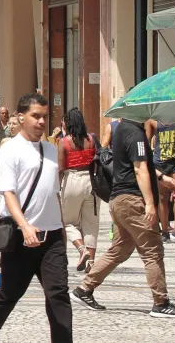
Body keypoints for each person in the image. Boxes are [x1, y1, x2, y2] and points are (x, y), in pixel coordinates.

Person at [0, 93, 71, 343]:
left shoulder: (51, 149)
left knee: (58, 294)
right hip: (20, 237)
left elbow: (53, 192)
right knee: (8, 295)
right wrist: (25, 226)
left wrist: (61, 228)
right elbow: (8, 192)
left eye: (44, 117)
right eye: (35, 116)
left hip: (51, 238)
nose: (41, 122)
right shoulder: (10, 150)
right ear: (21, 116)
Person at [72, 117, 175, 318]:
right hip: (133, 200)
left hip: (119, 200)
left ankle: (84, 289)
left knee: (120, 249)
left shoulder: (122, 129)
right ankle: (161, 302)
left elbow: (136, 165)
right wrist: (150, 204)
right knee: (152, 250)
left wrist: (162, 177)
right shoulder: (136, 133)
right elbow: (139, 169)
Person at [57, 107, 98, 273]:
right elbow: (96, 162)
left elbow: (60, 168)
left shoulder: (64, 142)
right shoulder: (91, 139)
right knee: (91, 223)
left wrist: (56, 189)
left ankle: (82, 250)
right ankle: (91, 262)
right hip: (90, 181)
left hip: (71, 181)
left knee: (69, 222)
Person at [147, 117, 175, 243]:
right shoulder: (151, 120)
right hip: (160, 161)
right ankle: (164, 230)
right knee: (162, 198)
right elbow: (146, 141)